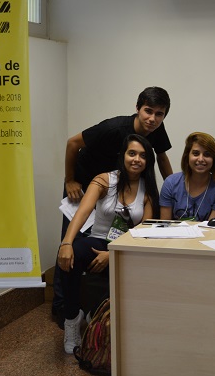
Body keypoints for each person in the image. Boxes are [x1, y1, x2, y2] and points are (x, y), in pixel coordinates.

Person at [53, 86, 172, 319]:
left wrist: (173, 190)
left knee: (115, 239)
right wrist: (70, 180)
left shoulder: (155, 127)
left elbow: (162, 156)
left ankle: (103, 311)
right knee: (69, 246)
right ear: (137, 108)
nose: (152, 118)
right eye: (148, 111)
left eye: (159, 114)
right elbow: (72, 143)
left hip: (124, 188)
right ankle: (63, 310)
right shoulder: (113, 128)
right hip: (87, 184)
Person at [56, 134, 159, 354]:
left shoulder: (147, 189)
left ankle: (102, 314)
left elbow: (144, 232)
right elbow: (82, 213)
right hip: (98, 240)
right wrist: (66, 243)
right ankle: (72, 319)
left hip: (128, 247)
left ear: (148, 161)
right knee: (70, 255)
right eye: (132, 153)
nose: (136, 159)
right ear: (123, 156)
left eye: (142, 155)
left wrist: (114, 254)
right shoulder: (104, 180)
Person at [160, 132, 215, 221]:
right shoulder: (170, 183)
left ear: (214, 159)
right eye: (196, 153)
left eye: (207, 154)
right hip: (173, 234)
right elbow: (164, 224)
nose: (201, 159)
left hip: (207, 234)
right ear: (187, 157)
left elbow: (212, 230)